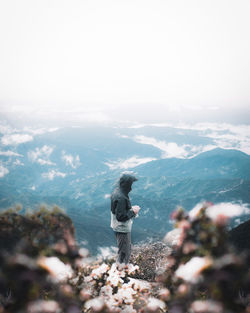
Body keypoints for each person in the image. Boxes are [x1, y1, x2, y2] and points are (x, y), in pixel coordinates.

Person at [110, 173, 140, 265]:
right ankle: (120, 275)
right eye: (130, 184)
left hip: (118, 227)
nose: (131, 188)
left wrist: (130, 210)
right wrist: (133, 212)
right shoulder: (121, 197)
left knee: (124, 250)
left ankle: (120, 274)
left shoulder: (117, 192)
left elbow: (118, 211)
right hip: (122, 228)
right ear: (127, 184)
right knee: (124, 253)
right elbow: (121, 217)